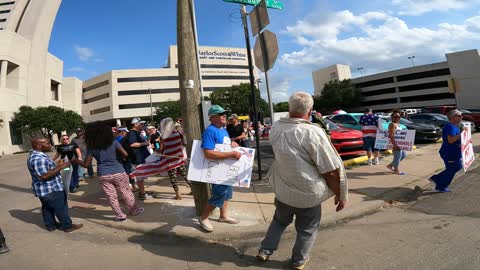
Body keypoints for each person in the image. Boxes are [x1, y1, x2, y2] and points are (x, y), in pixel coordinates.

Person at [256, 92, 348, 270]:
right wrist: (340, 193)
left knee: (279, 221)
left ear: (289, 109)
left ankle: (265, 251)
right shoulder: (312, 133)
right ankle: (298, 261)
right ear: (310, 110)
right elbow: (329, 170)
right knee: (307, 228)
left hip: (284, 190)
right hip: (308, 193)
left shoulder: (275, 128)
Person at [76, 121, 144, 222]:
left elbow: (86, 164)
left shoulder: (92, 147)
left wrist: (76, 160)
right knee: (126, 192)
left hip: (104, 174)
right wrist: (117, 158)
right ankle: (133, 210)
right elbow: (125, 154)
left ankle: (120, 216)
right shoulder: (114, 142)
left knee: (111, 196)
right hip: (118, 171)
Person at [198, 105, 242, 232]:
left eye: (224, 114)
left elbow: (225, 146)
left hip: (226, 169)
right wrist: (231, 154)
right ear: (212, 117)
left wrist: (232, 144)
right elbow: (208, 153)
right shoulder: (210, 131)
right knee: (219, 194)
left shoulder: (223, 130)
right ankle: (204, 217)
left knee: (227, 193)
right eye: (220, 114)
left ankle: (223, 216)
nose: (224, 116)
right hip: (216, 170)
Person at [26, 137, 83, 232]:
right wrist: (61, 167)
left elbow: (46, 168)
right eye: (48, 143)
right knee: (61, 207)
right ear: (38, 145)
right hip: (50, 189)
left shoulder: (38, 155)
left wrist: (56, 164)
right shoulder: (38, 158)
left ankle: (51, 225)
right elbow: (44, 176)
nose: (50, 145)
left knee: (47, 207)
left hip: (44, 190)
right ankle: (67, 226)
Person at [429, 109, 464, 192]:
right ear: (452, 117)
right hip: (449, 153)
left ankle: (440, 186)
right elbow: (451, 140)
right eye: (459, 115)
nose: (461, 117)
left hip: (453, 152)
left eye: (461, 115)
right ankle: (436, 179)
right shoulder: (450, 126)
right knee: (456, 167)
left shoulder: (454, 126)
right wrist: (462, 134)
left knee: (452, 169)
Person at [158, 118, 192, 200]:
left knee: (172, 177)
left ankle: (178, 194)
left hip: (170, 160)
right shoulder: (178, 133)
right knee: (185, 175)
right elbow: (183, 143)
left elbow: (161, 149)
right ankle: (192, 189)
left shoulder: (163, 136)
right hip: (179, 158)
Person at [128, 118, 153, 200]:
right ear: (135, 124)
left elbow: (146, 143)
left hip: (141, 158)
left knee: (141, 177)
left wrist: (149, 135)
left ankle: (142, 192)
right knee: (140, 177)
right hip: (137, 159)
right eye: (140, 124)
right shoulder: (132, 133)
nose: (142, 125)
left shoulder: (137, 133)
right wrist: (144, 143)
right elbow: (132, 144)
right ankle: (142, 194)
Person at [116, 127, 138, 192]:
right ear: (122, 131)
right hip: (125, 159)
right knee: (130, 172)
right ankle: (133, 187)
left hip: (119, 159)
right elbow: (126, 150)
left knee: (125, 173)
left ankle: (130, 186)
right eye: (125, 131)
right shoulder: (122, 139)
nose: (126, 133)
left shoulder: (115, 139)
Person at [386, 111, 407, 175]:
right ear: (392, 117)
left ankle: (390, 165)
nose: (397, 118)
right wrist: (394, 145)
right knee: (397, 157)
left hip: (400, 144)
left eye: (399, 117)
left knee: (403, 155)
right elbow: (391, 135)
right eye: (395, 117)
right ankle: (396, 170)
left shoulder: (398, 124)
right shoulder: (392, 124)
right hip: (395, 144)